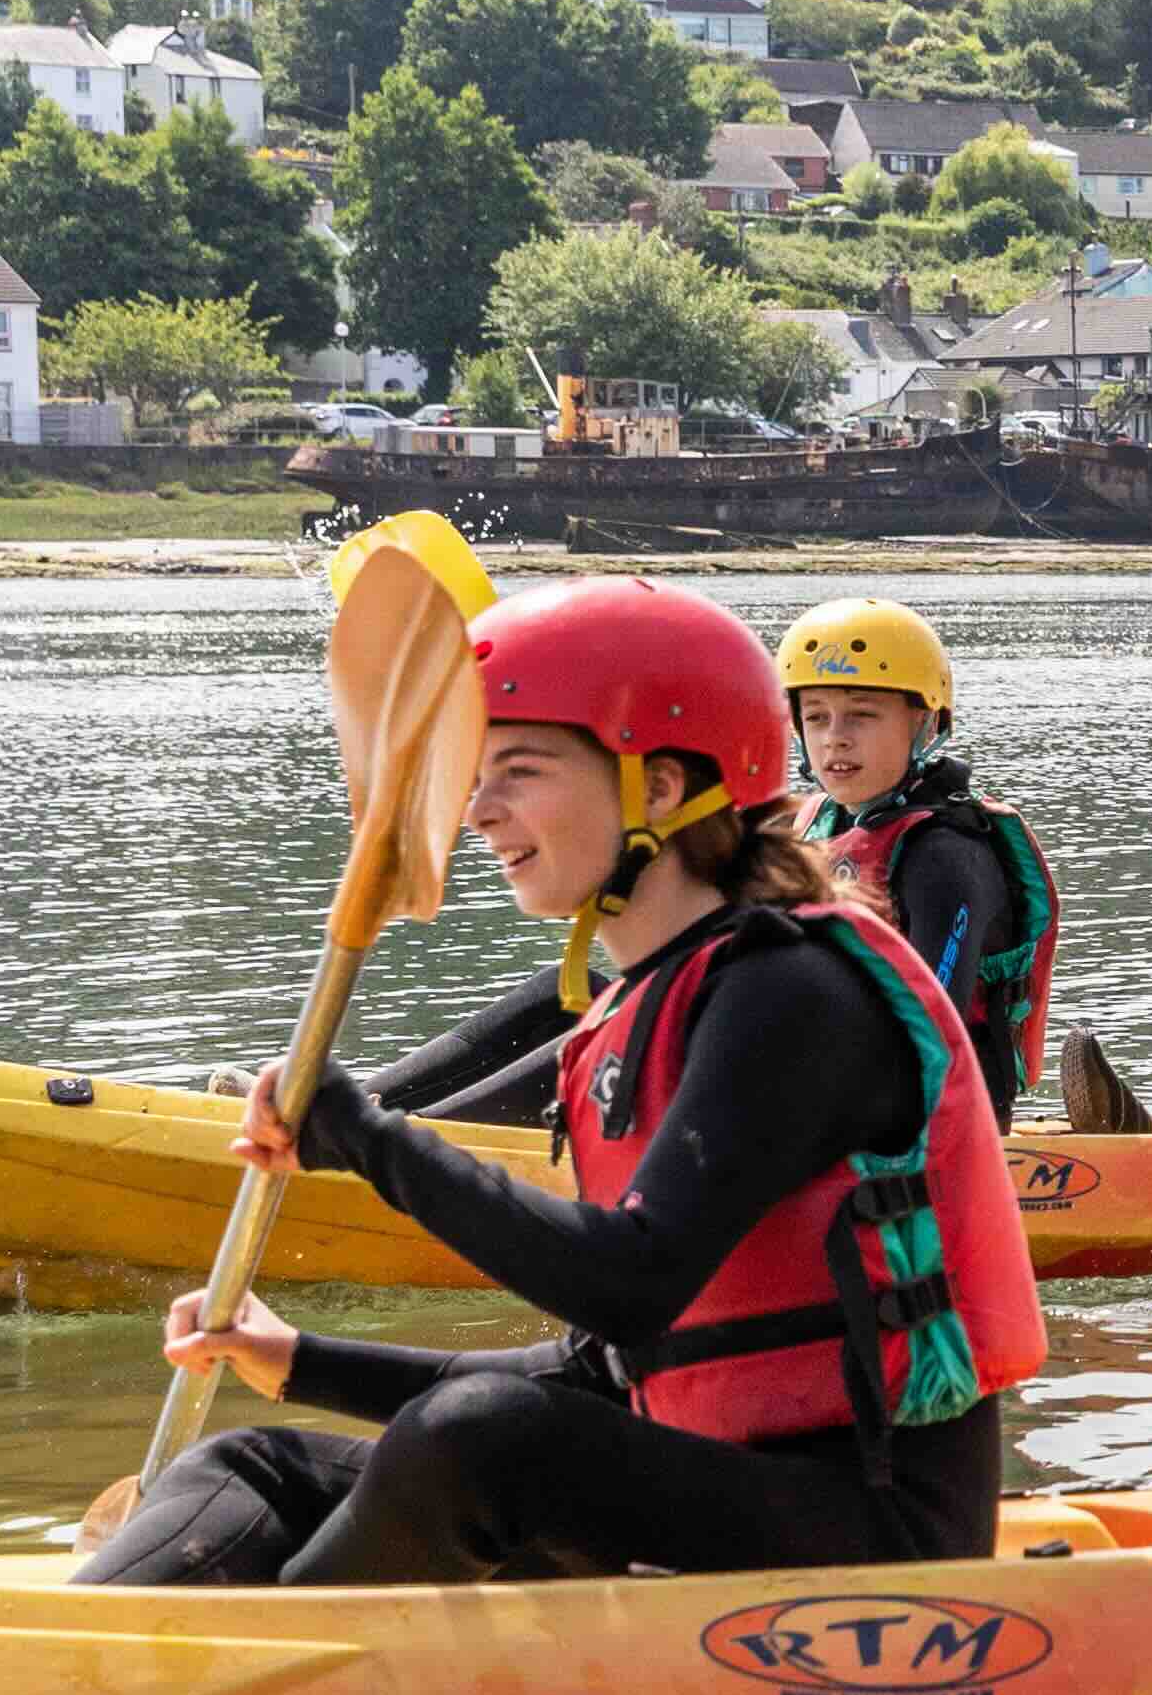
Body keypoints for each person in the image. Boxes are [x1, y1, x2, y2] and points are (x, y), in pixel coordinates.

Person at [79, 579, 1044, 1589]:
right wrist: (295, 1359)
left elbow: (627, 1286)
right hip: (708, 1498)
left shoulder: (790, 994)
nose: (479, 809)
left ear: (662, 788)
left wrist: (368, 1137)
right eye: (477, 773)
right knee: (249, 1461)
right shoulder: (654, 997)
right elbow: (601, 1368)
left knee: (484, 1439)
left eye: (520, 771)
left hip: (880, 1532)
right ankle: (98, 1662)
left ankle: (245, 1693)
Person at [775, 596, 1055, 1110]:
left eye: (862, 714)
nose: (835, 739)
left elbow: (930, 1028)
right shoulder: (815, 826)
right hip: (834, 1103)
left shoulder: (946, 856)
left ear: (925, 725)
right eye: (816, 717)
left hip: (942, 1128)